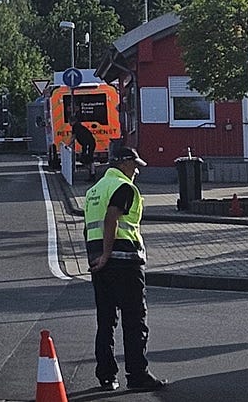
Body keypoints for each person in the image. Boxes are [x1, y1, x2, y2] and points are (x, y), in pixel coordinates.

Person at [83, 146, 167, 392]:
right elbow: (112, 218)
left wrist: (97, 258)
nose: (137, 171)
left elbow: (90, 227)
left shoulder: (93, 191)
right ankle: (137, 374)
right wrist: (109, 254)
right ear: (125, 163)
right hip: (124, 261)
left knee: (105, 320)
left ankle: (106, 376)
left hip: (100, 265)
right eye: (135, 165)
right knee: (135, 320)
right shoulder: (124, 187)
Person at [68, 115, 97, 179]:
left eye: (69, 121)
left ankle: (92, 173)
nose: (69, 123)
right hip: (88, 144)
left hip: (88, 144)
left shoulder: (75, 127)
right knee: (88, 158)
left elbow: (73, 137)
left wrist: (68, 145)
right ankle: (92, 172)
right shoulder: (78, 126)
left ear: (72, 121)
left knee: (87, 159)